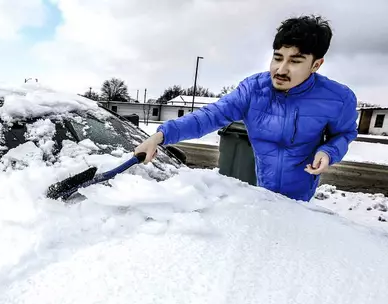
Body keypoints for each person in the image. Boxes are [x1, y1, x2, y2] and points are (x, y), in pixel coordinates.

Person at [135, 15, 358, 202]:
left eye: (295, 61)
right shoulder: (253, 90)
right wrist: (161, 136)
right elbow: (211, 115)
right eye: (277, 58)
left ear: (316, 65)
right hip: (263, 191)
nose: (281, 69)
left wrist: (328, 152)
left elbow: (345, 134)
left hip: (301, 197)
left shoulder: (338, 98)